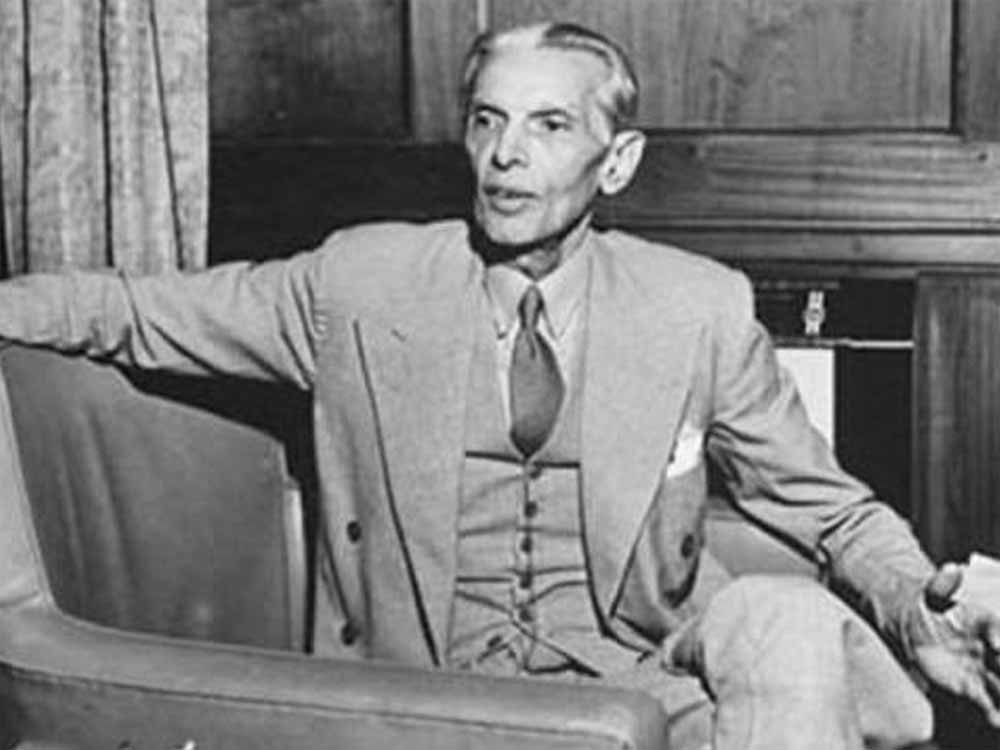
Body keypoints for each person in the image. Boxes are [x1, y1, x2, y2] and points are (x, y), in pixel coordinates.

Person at [0, 21, 997, 750]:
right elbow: (133, 311)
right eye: (489, 121)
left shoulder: (698, 308)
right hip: (430, 704)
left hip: (638, 685)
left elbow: (829, 511)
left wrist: (919, 607)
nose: (507, 156)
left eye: (549, 125)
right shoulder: (360, 284)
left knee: (784, 615)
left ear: (617, 162)